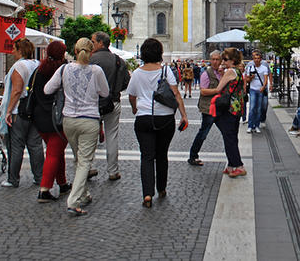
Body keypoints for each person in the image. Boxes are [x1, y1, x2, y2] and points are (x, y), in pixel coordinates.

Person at [45, 38, 109, 217]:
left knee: (78, 158)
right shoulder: (96, 71)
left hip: (69, 121)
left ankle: (84, 193)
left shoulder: (64, 69)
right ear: (91, 52)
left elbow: (47, 89)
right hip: (89, 121)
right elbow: (105, 92)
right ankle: (73, 201)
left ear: (75, 50)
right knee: (84, 162)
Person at [127, 38, 188, 208]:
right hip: (165, 118)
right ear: (160, 54)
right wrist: (184, 115)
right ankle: (161, 188)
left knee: (146, 156)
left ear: (143, 53)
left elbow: (131, 95)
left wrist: (134, 108)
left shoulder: (137, 73)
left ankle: (147, 194)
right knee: (162, 154)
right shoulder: (166, 71)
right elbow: (176, 94)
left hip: (144, 117)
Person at [0, 38, 44, 188]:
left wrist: (9, 110)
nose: (12, 52)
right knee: (35, 145)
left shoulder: (19, 66)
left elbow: (17, 90)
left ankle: (13, 179)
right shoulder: (37, 64)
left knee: (16, 145)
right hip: (35, 110)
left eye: (14, 49)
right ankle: (39, 177)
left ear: (20, 50)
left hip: (20, 110)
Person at [30, 40, 70, 203]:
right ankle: (44, 189)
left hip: (40, 117)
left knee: (56, 151)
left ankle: (62, 183)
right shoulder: (62, 70)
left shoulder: (38, 70)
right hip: (57, 118)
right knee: (53, 154)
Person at [89, 31, 130, 182]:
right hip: (114, 101)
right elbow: (126, 82)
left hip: (94, 103)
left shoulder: (91, 60)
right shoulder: (118, 60)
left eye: (93, 41)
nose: (91, 44)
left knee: (90, 137)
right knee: (112, 136)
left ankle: (89, 167)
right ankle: (113, 171)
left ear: (100, 43)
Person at [211, 48, 247, 178]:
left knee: (229, 137)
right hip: (236, 108)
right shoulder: (238, 71)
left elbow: (218, 88)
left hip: (229, 108)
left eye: (225, 59)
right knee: (231, 136)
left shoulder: (230, 71)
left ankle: (239, 165)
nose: (223, 62)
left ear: (232, 60)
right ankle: (231, 165)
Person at [187, 51, 224, 166]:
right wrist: (217, 90)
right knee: (203, 132)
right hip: (209, 108)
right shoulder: (206, 73)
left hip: (219, 107)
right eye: (213, 59)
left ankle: (233, 159)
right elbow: (203, 91)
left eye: (217, 59)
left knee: (227, 132)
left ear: (221, 61)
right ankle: (193, 156)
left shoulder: (222, 73)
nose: (215, 62)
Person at [245, 50, 270, 133]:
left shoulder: (264, 68)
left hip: (260, 90)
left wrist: (263, 87)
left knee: (259, 108)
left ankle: (257, 125)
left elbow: (266, 79)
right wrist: (251, 77)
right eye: (255, 58)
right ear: (253, 59)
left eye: (258, 58)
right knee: (252, 108)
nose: (256, 60)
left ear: (261, 59)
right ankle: (250, 125)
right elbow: (247, 79)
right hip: (252, 89)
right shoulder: (250, 67)